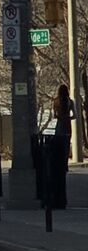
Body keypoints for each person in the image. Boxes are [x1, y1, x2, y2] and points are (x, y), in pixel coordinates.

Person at [51, 83, 73, 211]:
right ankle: (65, 163)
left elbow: (54, 115)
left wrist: (60, 115)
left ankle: (60, 163)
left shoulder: (56, 101)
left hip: (59, 125)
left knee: (58, 145)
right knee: (66, 145)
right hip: (68, 125)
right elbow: (74, 115)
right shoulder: (70, 102)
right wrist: (68, 116)